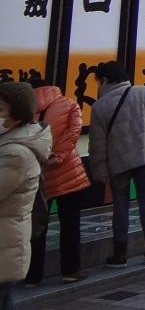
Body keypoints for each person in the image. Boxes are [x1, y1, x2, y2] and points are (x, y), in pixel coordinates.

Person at [87, 61, 145, 266]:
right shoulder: (144, 93)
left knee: (120, 206)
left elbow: (97, 144)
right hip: (144, 157)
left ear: (105, 80)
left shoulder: (99, 107)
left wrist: (100, 170)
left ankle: (120, 254)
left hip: (118, 163)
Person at [25, 79, 90, 285]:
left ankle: (32, 275)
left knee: (36, 225)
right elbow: (73, 133)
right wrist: (58, 156)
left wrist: (42, 158)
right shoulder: (69, 104)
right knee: (70, 224)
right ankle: (70, 270)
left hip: (38, 174)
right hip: (69, 173)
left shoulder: (24, 110)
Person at [0, 82, 51, 310]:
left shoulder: (16, 153)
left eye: (1, 109)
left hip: (5, 244)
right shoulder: (10, 143)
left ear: (18, 116)